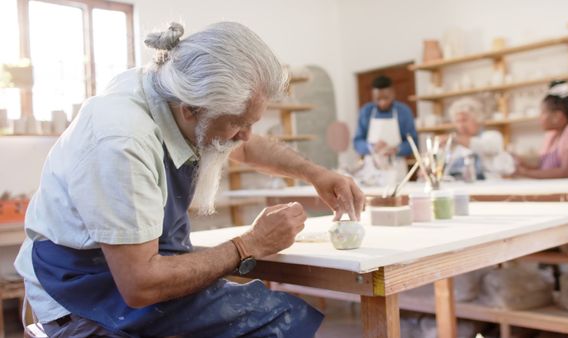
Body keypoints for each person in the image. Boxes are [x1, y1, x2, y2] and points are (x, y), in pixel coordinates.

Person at [14, 22, 364, 338]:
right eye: (238, 125)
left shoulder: (170, 88)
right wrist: (248, 245)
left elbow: (243, 144)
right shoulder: (122, 140)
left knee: (272, 311)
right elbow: (140, 284)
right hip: (84, 286)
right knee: (274, 322)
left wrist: (315, 173)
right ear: (190, 110)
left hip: (133, 268)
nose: (245, 136)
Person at [516, 80, 568, 179]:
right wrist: (522, 166)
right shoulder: (553, 134)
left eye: (543, 113)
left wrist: (523, 172)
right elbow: (544, 169)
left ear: (558, 116)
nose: (539, 117)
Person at [353, 75, 418, 184]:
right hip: (372, 168)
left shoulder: (404, 112)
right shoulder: (365, 112)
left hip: (396, 167)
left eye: (386, 98)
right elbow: (357, 142)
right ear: (373, 96)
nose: (382, 102)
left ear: (393, 93)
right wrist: (371, 147)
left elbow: (413, 142)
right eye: (378, 99)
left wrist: (397, 149)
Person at [445, 97, 514, 180]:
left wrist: (454, 138)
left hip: (490, 187)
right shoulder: (457, 147)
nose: (461, 125)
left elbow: (483, 146)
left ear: (477, 119)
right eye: (457, 121)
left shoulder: (492, 136)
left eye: (464, 120)